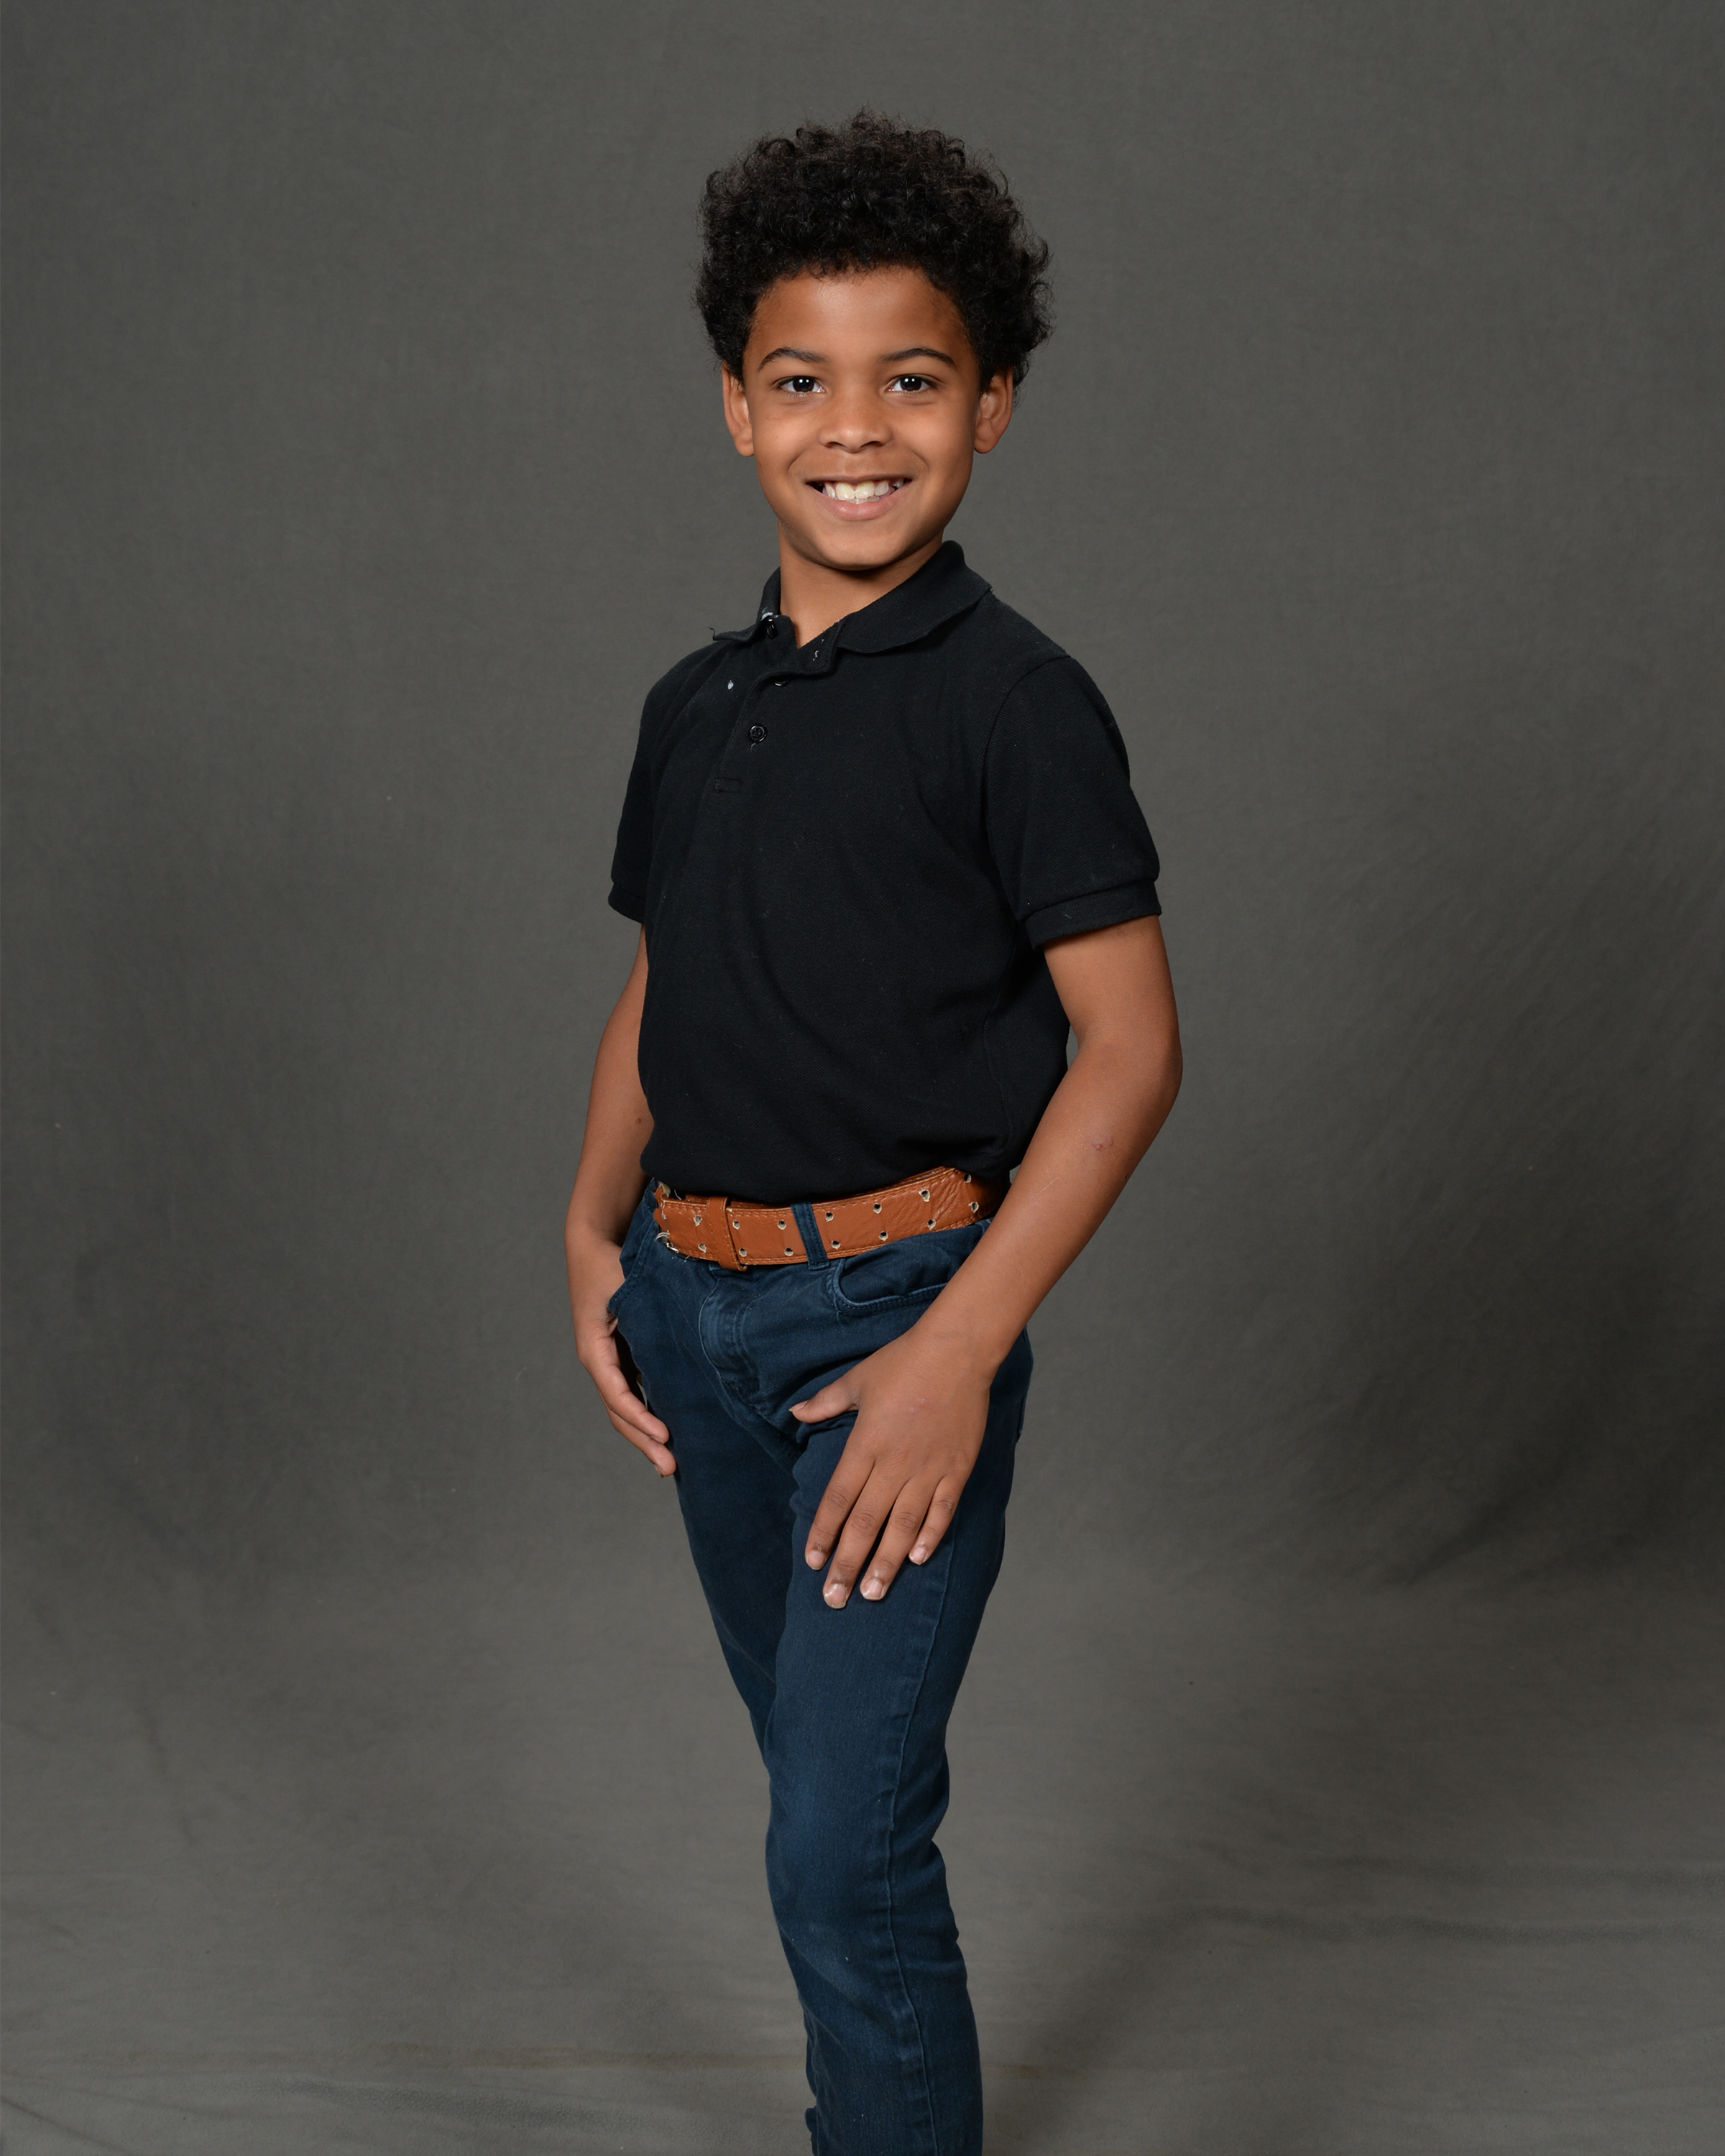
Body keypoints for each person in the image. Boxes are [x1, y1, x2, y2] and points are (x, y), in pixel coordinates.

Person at [564, 111, 1182, 2156]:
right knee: (820, 1811)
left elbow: (1128, 1055)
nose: (856, 428)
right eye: (802, 381)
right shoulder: (696, 701)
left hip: (896, 1324)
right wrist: (590, 1224)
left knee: (841, 1848)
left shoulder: (1015, 701)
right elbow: (671, 977)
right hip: (696, 1312)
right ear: (738, 407)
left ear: (989, 405)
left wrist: (955, 1350)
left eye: (911, 380)